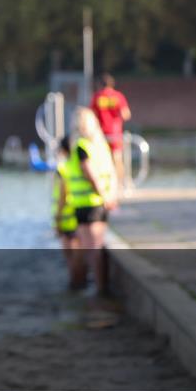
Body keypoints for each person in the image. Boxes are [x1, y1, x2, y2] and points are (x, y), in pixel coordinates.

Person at [67, 107, 118, 296]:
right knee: (95, 246)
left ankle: (97, 287)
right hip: (101, 202)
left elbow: (91, 174)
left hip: (86, 204)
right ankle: (94, 285)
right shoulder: (101, 146)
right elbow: (111, 172)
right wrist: (110, 195)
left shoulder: (81, 146)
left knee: (90, 248)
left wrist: (102, 195)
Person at [91, 73, 132, 192]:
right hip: (115, 133)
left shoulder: (97, 96)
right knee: (117, 159)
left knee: (100, 160)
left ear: (100, 85)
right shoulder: (118, 96)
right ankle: (120, 185)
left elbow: (92, 115)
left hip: (101, 134)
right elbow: (126, 114)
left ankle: (104, 186)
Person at [53, 136, 81, 289]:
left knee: (70, 253)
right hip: (78, 212)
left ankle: (74, 280)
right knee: (79, 250)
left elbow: (61, 196)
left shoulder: (62, 168)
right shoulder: (78, 165)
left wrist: (57, 218)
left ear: (63, 151)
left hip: (65, 216)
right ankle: (79, 279)